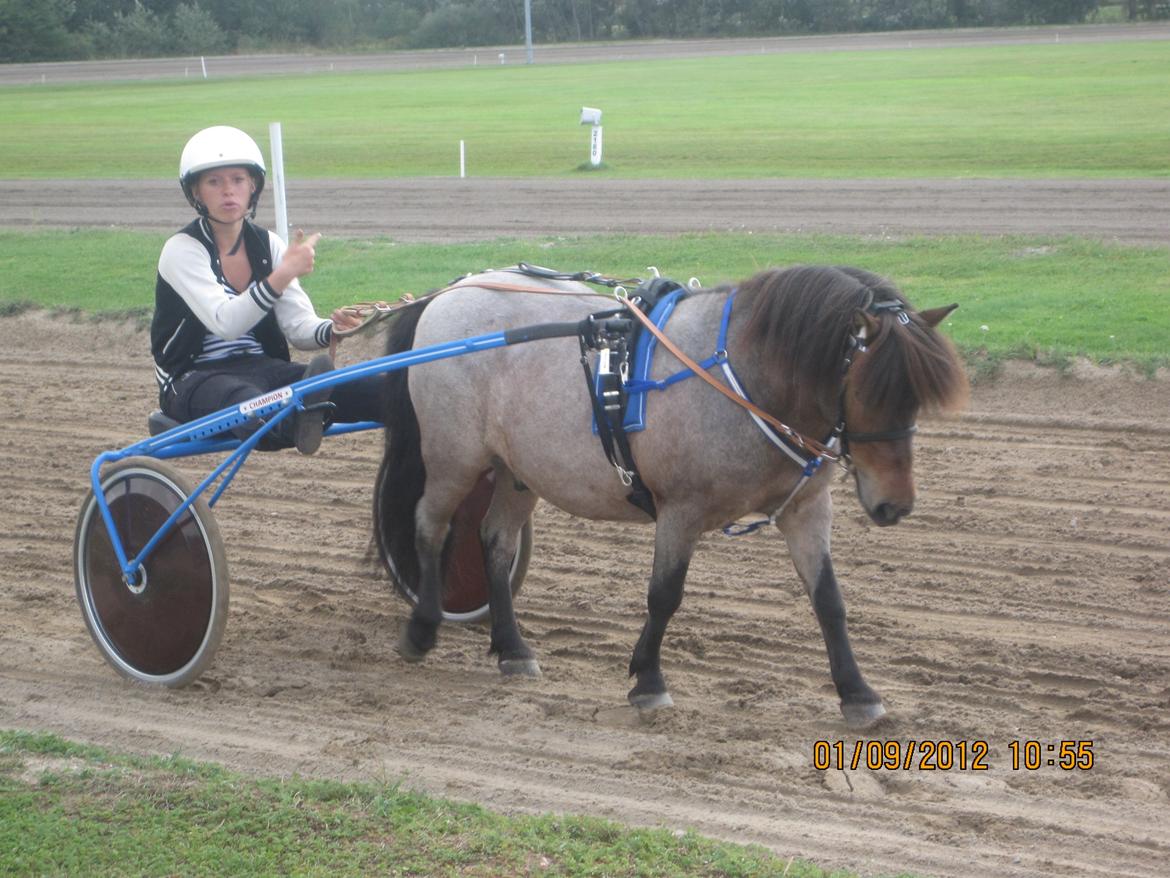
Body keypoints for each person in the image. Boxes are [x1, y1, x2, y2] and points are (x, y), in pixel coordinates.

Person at [151, 125, 382, 453]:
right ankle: (294, 419)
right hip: (192, 380)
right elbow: (226, 322)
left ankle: (312, 407)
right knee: (246, 401)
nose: (228, 191)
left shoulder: (267, 244)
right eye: (214, 182)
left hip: (262, 370)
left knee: (371, 389)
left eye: (238, 180)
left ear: (253, 186)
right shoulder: (181, 250)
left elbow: (298, 327)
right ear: (196, 192)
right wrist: (284, 272)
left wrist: (331, 329)